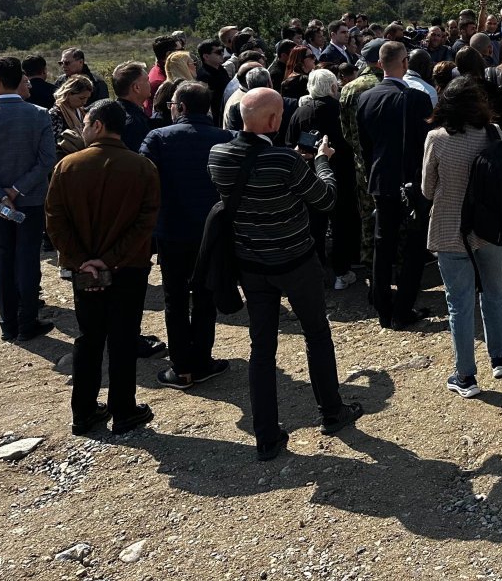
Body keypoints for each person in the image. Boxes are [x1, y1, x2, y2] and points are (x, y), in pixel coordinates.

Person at [208, 88, 361, 459]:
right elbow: (325, 198)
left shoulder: (218, 155)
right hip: (296, 262)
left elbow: (257, 173)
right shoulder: (283, 161)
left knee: (262, 348)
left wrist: (294, 161)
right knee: (316, 335)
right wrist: (320, 161)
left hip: (252, 265)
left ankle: (266, 435)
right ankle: (331, 410)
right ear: (275, 121)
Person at [45, 99, 158, 434]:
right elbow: (145, 223)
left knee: (88, 337)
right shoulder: (142, 167)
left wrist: (83, 261)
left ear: (96, 125)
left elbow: (54, 221)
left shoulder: (67, 167)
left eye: (85, 122)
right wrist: (110, 259)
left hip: (84, 272)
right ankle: (123, 410)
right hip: (129, 267)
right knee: (123, 337)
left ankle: (83, 411)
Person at [422, 78, 502, 398]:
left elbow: (426, 189)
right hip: (490, 228)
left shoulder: (436, 138)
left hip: (450, 229)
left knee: (458, 304)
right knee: (494, 292)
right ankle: (500, 358)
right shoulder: (494, 133)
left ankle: (465, 376)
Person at [138, 81, 233, 390]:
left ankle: (182, 368)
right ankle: (202, 360)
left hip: (172, 230)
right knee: (205, 297)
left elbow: (142, 177)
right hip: (212, 232)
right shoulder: (225, 138)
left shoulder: (158, 138)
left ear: (178, 107)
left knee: (175, 299)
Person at [0, 57, 56, 342]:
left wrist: (0, 194)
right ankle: (28, 322)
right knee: (28, 259)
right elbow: (46, 160)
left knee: (2, 261)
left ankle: (8, 324)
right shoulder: (40, 114)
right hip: (30, 200)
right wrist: (17, 189)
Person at [356, 41, 435, 329]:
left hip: (380, 178)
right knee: (414, 246)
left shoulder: (365, 98)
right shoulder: (416, 99)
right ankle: (402, 309)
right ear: (404, 63)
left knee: (383, 244)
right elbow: (426, 145)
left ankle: (382, 307)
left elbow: (365, 145)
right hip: (410, 180)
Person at [285, 68, 361, 290]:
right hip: (341, 176)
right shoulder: (340, 110)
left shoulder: (300, 113)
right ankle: (342, 271)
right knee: (341, 224)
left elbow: (290, 145)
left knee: (315, 226)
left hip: (307, 177)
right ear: (333, 87)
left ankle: (316, 272)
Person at [339, 38, 386, 271]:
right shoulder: (389, 85)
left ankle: (370, 259)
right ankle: (393, 258)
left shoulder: (349, 88)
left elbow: (346, 131)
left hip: (361, 162)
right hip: (387, 159)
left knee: (367, 213)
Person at [110, 61, 153, 151]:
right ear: (136, 88)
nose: (150, 83)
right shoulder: (133, 123)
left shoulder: (115, 112)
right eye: (147, 80)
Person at [50, 74, 94, 158]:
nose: (84, 102)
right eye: (81, 98)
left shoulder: (82, 111)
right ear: (68, 93)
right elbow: (52, 142)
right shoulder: (56, 114)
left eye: (87, 98)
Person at [195, 38, 231, 126]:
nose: (222, 54)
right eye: (218, 52)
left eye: (222, 50)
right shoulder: (203, 76)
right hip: (215, 120)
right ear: (206, 56)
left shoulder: (221, 69)